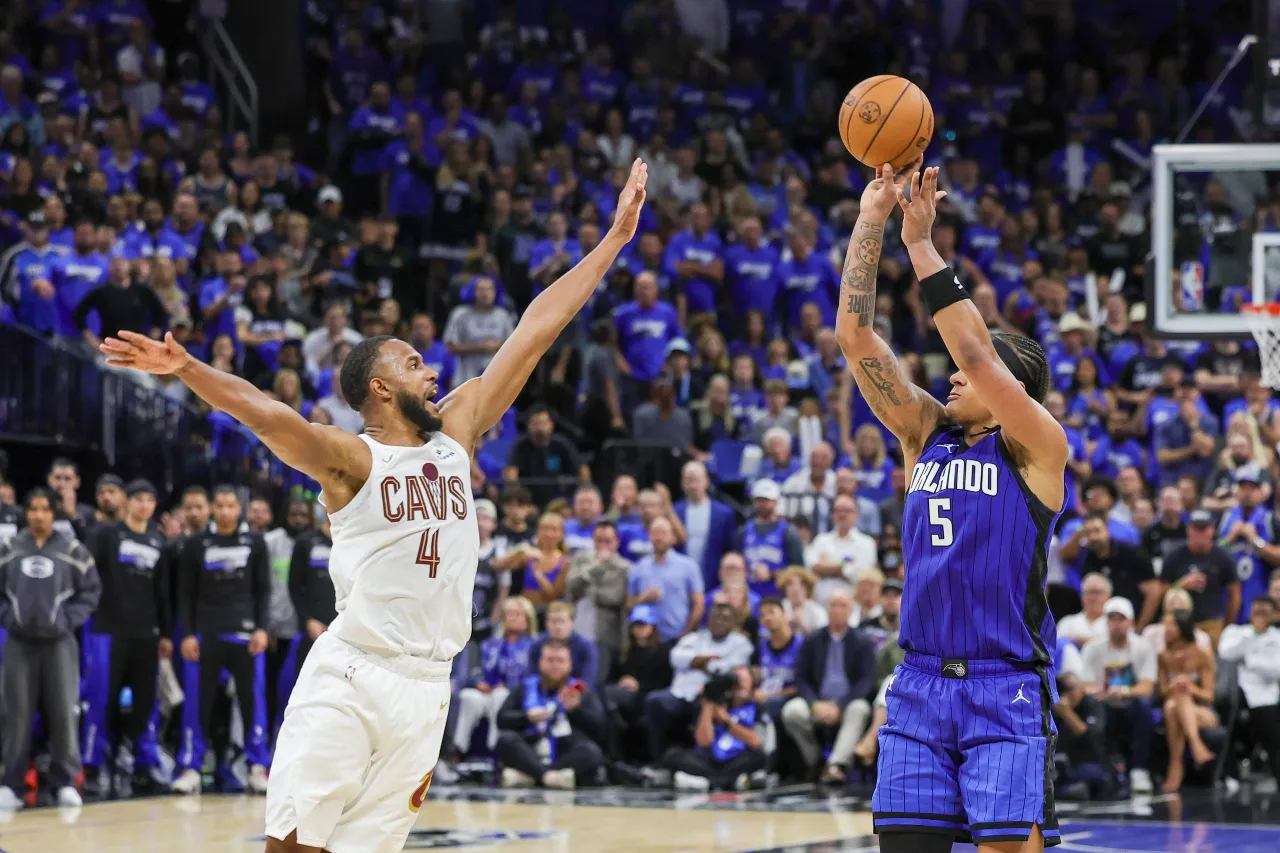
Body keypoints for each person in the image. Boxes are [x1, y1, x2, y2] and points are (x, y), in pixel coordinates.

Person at [100, 159, 649, 853]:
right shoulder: (353, 459)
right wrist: (186, 369)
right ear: (381, 389)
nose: (433, 370)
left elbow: (535, 327)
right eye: (415, 362)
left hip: (429, 689)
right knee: (294, 847)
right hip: (355, 673)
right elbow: (269, 415)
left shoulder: (459, 432)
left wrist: (613, 240)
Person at [837, 163, 1068, 850]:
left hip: (1005, 690)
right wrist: (872, 217)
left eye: (980, 369)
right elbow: (854, 337)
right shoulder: (924, 434)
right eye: (961, 369)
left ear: (1013, 389)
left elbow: (970, 343)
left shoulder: (1038, 447)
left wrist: (922, 243)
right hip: (917, 686)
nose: (958, 371)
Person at [0, 488, 101, 810]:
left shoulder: (74, 550)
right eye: (33, 509)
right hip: (19, 643)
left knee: (63, 713)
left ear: (53, 514)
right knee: (14, 715)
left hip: (60, 644)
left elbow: (91, 591)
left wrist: (68, 620)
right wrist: (9, 618)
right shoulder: (9, 549)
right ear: (25, 513)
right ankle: (11, 784)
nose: (39, 515)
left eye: (45, 510)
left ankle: (67, 782)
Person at [172, 485, 273, 795]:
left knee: (252, 703)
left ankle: (257, 767)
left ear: (238, 509)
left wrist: (261, 628)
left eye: (231, 505)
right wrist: (187, 633)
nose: (226, 511)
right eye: (221, 505)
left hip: (245, 636)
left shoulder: (255, 543)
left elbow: (263, 589)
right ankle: (191, 766)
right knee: (197, 705)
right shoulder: (196, 544)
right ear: (213, 509)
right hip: (206, 634)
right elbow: (185, 593)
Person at [82, 479, 172, 794]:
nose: (144, 505)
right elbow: (88, 578)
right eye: (138, 499)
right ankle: (94, 764)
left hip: (146, 635)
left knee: (145, 703)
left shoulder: (159, 541)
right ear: (127, 502)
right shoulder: (106, 534)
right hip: (108, 631)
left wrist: (166, 633)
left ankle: (143, 765)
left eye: (150, 500)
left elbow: (164, 594)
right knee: (101, 700)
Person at [780, 588, 876, 784]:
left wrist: (839, 706)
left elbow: (866, 680)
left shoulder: (862, 641)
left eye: (843, 605)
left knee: (860, 709)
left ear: (851, 610)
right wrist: (814, 704)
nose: (837, 610)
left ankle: (836, 764)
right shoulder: (812, 639)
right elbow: (800, 678)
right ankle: (815, 759)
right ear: (827, 609)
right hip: (818, 701)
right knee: (791, 711)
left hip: (846, 702)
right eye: (833, 605)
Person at [644, 599, 754, 768]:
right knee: (654, 701)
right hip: (680, 693)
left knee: (705, 705)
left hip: (711, 696)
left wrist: (695, 661)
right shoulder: (694, 637)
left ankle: (702, 760)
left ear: (733, 622)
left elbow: (725, 669)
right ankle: (659, 760)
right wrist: (706, 661)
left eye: (725, 618)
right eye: (715, 617)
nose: (719, 621)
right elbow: (675, 658)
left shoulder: (740, 643)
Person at [494, 639, 607, 789]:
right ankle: (551, 777)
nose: (555, 665)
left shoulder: (580, 692)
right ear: (540, 662)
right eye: (550, 660)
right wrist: (526, 717)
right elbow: (501, 719)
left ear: (569, 664)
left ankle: (534, 776)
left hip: (564, 753)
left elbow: (601, 727)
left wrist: (576, 710)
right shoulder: (524, 688)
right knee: (505, 740)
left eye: (560, 660)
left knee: (592, 752)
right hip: (531, 749)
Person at [1079, 597, 1157, 795]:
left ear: (1130, 622)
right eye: (1111, 619)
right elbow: (1085, 685)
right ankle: (1105, 769)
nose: (1116, 624)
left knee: (1144, 708)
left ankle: (1140, 770)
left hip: (1131, 706)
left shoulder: (1143, 648)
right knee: (1094, 709)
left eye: (1121, 619)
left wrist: (1124, 691)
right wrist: (1102, 691)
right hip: (1103, 704)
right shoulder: (1093, 648)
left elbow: (1147, 687)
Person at [453, 598, 537, 755]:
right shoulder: (490, 644)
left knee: (500, 695)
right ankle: (458, 750)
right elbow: (476, 669)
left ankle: (496, 749)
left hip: (515, 698)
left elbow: (532, 677)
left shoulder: (534, 646)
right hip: (487, 693)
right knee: (468, 696)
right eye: (509, 614)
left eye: (518, 614)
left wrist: (509, 687)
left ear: (527, 620)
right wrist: (478, 683)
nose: (512, 618)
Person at [663, 665, 767, 791]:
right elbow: (704, 742)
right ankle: (728, 781)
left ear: (753, 683)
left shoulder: (757, 707)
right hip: (710, 758)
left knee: (759, 756)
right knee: (673, 754)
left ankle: (708, 782)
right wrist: (708, 703)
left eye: (744, 680)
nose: (739, 685)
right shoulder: (715, 704)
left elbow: (755, 742)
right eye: (735, 680)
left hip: (738, 757)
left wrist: (726, 722)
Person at [1217, 596, 1280, 787]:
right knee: (1224, 725)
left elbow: (1276, 670)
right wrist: (1251, 634)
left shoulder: (1277, 638)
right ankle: (1229, 776)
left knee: (1272, 735)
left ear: (1275, 616)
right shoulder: (1236, 632)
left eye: (1264, 613)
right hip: (1235, 693)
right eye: (1256, 612)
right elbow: (1226, 653)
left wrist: (1250, 661)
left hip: (1264, 696)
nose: (1258, 617)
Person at [603, 604, 674, 764]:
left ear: (652, 626)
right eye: (636, 624)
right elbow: (612, 677)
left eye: (643, 624)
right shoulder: (625, 651)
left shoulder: (663, 652)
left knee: (610, 695)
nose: (639, 628)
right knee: (606, 694)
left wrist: (639, 685)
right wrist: (623, 681)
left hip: (647, 696)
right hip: (623, 696)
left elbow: (665, 682)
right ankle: (614, 752)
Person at [1157, 609, 1218, 793]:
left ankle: (1175, 766)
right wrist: (1173, 687)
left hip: (1204, 713)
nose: (1166, 629)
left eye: (1171, 624)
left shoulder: (1202, 654)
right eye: (1164, 624)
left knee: (1177, 701)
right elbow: (1162, 693)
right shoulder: (1163, 657)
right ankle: (1196, 745)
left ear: (1183, 626)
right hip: (1174, 711)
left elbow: (1209, 696)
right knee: (1172, 705)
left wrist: (1191, 688)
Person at [1162, 508, 1239, 647]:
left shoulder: (1223, 558)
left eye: (1204, 528)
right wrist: (1180, 585)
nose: (1200, 533)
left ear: (1212, 530)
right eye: (1196, 528)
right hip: (1179, 624)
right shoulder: (1174, 557)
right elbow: (1162, 592)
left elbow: (1235, 594)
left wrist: (1227, 626)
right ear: (1189, 530)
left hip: (1212, 623)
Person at [625, 516, 704, 643]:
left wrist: (686, 634)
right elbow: (628, 605)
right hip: (647, 641)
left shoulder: (689, 566)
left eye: (663, 533)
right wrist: (643, 598)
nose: (659, 537)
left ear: (673, 537)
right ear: (649, 536)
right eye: (655, 533)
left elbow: (698, 604)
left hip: (678, 637)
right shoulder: (638, 568)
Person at [673, 461, 738, 590]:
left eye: (696, 480)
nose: (692, 485)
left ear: (706, 481)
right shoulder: (675, 512)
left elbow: (730, 549)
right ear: (682, 484)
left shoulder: (724, 514)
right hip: (681, 582)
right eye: (688, 480)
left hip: (713, 582)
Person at [803, 494, 877, 604]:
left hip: (852, 606)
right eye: (837, 510)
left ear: (856, 515)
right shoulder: (821, 540)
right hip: (821, 604)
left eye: (847, 511)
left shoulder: (866, 543)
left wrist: (825, 567)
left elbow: (860, 575)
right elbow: (812, 568)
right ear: (832, 514)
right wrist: (842, 565)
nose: (842, 514)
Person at [287, 510, 335, 675]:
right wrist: (307, 620)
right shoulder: (305, 542)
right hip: (312, 628)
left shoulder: (355, 542)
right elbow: (294, 586)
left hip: (344, 629)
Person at [1058, 573, 1112, 648]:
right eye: (1088, 593)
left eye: (1096, 592)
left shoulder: (1115, 623)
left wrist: (1079, 640)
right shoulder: (1067, 623)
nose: (1092, 598)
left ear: (1108, 596)